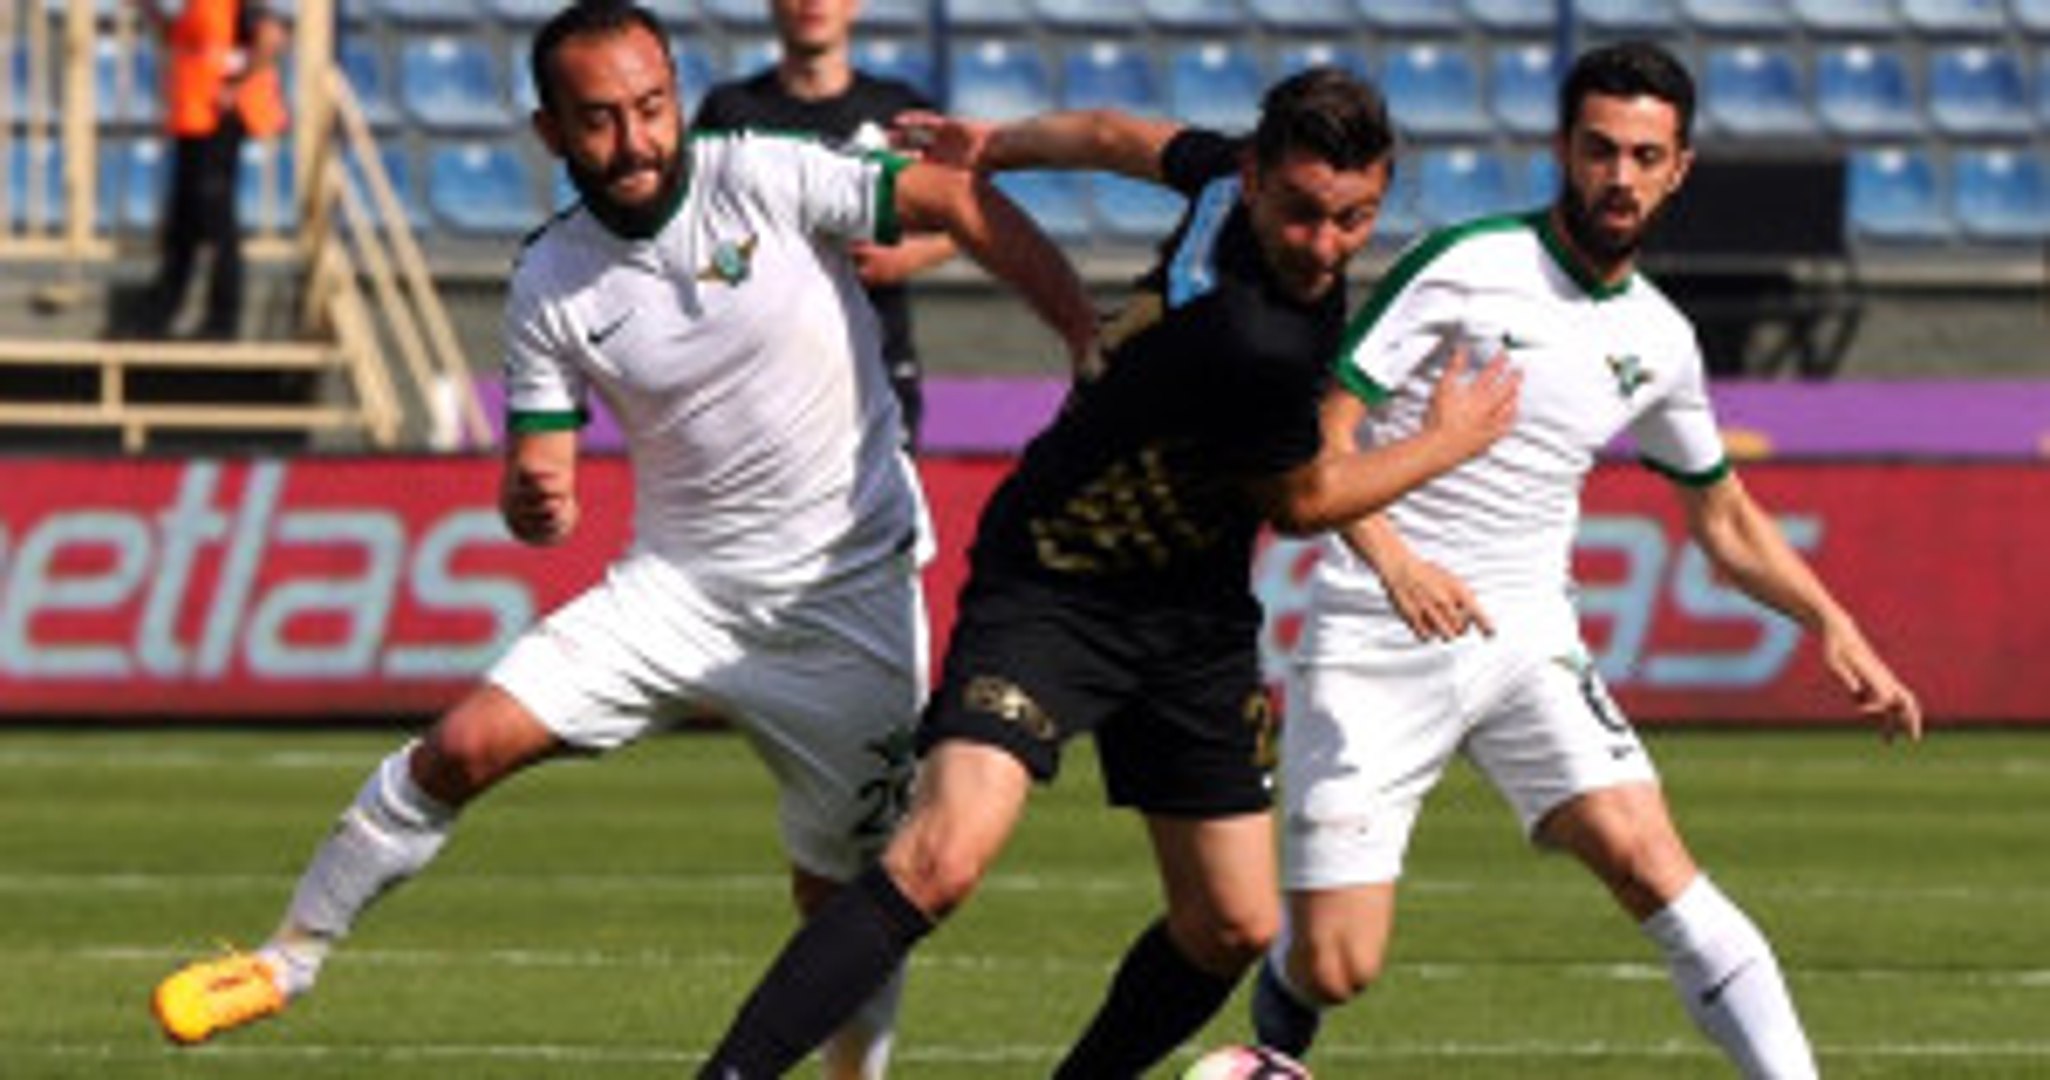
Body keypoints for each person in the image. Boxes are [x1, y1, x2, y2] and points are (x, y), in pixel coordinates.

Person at [147, 4, 1098, 1079]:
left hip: (844, 605)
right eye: (599, 120)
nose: (636, 140)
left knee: (844, 900)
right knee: (462, 746)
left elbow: (955, 196)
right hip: (675, 593)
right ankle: (289, 959)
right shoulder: (551, 277)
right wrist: (532, 497)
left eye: (651, 108)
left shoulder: (769, 173)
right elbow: (537, 467)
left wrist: (1078, 326)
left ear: (677, 97)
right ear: (550, 131)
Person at [696, 67, 1522, 1079]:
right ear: (1257, 178)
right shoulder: (1257, 336)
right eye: (1302, 213)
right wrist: (1449, 441)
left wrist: (996, 144)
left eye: (1353, 219)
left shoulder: (1222, 181)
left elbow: (1111, 133)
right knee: (940, 857)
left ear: (1380, 189)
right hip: (1057, 581)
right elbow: (1303, 501)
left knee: (1232, 923)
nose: (1323, 245)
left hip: (1191, 617)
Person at [1248, 41, 1924, 1080]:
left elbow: (1722, 516)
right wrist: (1393, 561)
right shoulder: (1466, 264)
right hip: (1379, 628)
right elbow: (1321, 438)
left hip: (1528, 637)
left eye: (1645, 156)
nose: (1620, 176)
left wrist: (1832, 623)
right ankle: (1279, 1014)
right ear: (1563, 149)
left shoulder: (1661, 339)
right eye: (1600, 150)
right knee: (1337, 966)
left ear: (1679, 168)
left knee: (1651, 861)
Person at [692, 0, 954, 450]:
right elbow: (695, 234)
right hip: (759, 370)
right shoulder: (729, 112)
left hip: (876, 360)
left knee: (884, 495)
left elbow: (968, 213)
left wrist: (909, 256)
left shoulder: (901, 111)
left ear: (856, 5)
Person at [133, 0, 288, 340]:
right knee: (183, 216)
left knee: (215, 214)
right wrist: (147, 9)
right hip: (193, 114)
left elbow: (271, 36)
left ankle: (223, 317)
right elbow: (179, 38)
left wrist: (236, 83)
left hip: (220, 116)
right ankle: (164, 306)